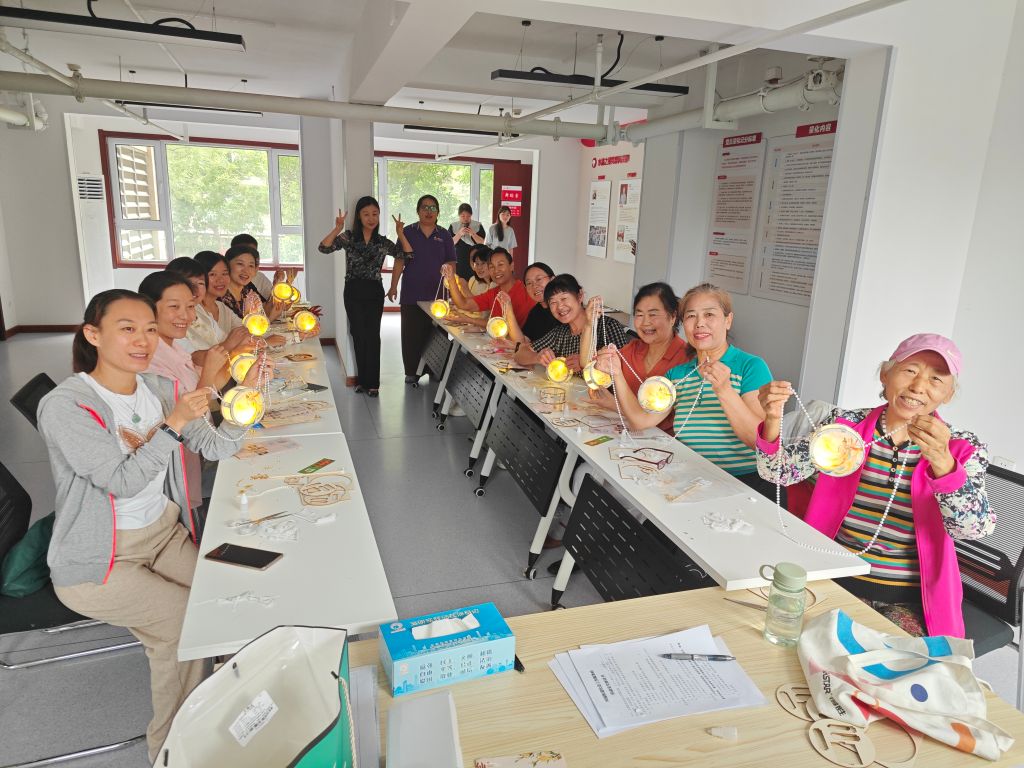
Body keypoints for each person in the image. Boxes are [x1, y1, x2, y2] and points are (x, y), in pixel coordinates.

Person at [37, 289, 248, 762]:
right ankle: (171, 750)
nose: (143, 340)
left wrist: (244, 403)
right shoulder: (67, 406)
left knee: (228, 598)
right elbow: (120, 482)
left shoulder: (157, 387)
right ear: (93, 335)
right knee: (183, 625)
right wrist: (172, 425)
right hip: (100, 561)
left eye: (150, 330)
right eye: (127, 329)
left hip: (162, 535)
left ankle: (222, 703)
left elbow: (215, 446)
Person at [755, 334, 993, 637]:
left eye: (936, 379)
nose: (918, 386)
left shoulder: (963, 448)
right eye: (910, 370)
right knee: (791, 644)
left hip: (909, 598)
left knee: (894, 663)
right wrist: (772, 417)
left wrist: (943, 463)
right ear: (885, 375)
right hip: (833, 578)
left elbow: (972, 529)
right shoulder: (845, 426)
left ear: (948, 394)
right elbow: (778, 472)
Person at [598, 282, 772, 497]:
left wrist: (724, 390)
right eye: (691, 316)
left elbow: (759, 443)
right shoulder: (678, 374)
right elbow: (640, 421)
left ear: (728, 320)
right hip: (691, 479)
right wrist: (616, 373)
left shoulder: (750, 366)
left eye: (709, 315)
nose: (700, 323)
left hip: (744, 485)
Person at [318, 197, 412, 396]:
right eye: (366, 214)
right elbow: (324, 248)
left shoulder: (382, 241)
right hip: (353, 290)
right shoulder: (349, 237)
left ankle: (373, 383)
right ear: (359, 216)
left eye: (375, 214)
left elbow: (407, 255)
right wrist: (337, 228)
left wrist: (400, 234)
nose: (371, 218)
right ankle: (362, 381)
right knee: (358, 335)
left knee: (372, 336)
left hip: (374, 291)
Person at [587, 282, 690, 435]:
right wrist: (590, 327)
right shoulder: (633, 349)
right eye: (639, 315)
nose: (645, 322)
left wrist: (616, 404)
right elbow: (591, 372)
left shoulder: (686, 360)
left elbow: (642, 421)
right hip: (627, 436)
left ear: (673, 317)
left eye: (653, 314)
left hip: (664, 444)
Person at [390, 194, 457, 383]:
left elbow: (452, 263)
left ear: (438, 212)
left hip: (438, 295)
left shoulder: (444, 235)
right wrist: (393, 286)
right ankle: (412, 372)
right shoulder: (407, 232)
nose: (429, 211)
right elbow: (399, 261)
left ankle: (435, 371)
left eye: (433, 208)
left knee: (437, 335)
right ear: (418, 211)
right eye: (425, 207)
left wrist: (453, 289)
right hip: (412, 293)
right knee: (411, 334)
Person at [514, 274, 630, 371]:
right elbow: (520, 354)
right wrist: (537, 357)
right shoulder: (560, 333)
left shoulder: (608, 326)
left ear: (580, 296)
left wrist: (588, 362)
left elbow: (625, 367)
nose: (560, 306)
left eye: (564, 299)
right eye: (553, 302)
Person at [444, 247, 534, 329]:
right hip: (497, 339)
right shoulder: (494, 293)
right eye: (491, 267)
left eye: (500, 264)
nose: (496, 270)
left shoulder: (527, 291)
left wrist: (469, 320)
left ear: (511, 266)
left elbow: (507, 327)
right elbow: (463, 304)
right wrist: (451, 278)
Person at [504, 261, 558, 344]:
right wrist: (508, 309)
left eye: (539, 279)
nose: (534, 286)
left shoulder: (562, 309)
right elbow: (522, 341)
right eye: (529, 283)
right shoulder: (536, 311)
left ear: (552, 279)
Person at [448, 202, 486, 281]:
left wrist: (473, 234)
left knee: (474, 282)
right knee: (460, 282)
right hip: (459, 260)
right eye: (463, 216)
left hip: (475, 260)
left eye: (468, 216)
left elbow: (483, 242)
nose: (466, 218)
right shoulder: (453, 226)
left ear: (471, 215)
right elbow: (449, 243)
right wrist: (459, 234)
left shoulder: (478, 225)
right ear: (459, 215)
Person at [230, 233, 274, 300]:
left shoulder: (248, 286)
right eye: (240, 263)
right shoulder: (221, 290)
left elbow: (267, 305)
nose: (246, 270)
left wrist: (277, 283)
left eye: (251, 265)